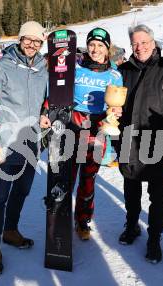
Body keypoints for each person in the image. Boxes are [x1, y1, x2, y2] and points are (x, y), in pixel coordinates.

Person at [41, 27, 123, 242]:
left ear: (108, 49)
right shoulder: (75, 68)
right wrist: (47, 110)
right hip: (72, 125)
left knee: (88, 180)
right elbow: (55, 90)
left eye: (100, 46)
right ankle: (60, 219)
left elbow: (116, 104)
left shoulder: (115, 75)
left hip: (97, 130)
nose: (95, 50)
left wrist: (116, 112)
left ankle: (83, 220)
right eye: (92, 45)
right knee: (66, 177)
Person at [0, 21, 48, 276]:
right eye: (28, 39)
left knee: (22, 191)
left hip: (31, 142)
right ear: (20, 39)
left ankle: (11, 230)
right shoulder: (4, 66)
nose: (32, 45)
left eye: (37, 41)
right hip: (5, 142)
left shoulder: (45, 70)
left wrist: (45, 118)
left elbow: (47, 102)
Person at [116, 24, 163, 264]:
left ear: (153, 43)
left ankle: (154, 238)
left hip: (159, 141)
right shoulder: (123, 71)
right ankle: (132, 227)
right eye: (134, 43)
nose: (139, 47)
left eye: (144, 42)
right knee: (131, 189)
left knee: (157, 195)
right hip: (130, 139)